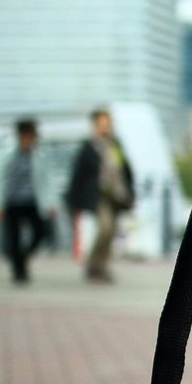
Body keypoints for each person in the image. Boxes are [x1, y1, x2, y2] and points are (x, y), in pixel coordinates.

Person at [67, 107, 134, 283]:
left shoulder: (115, 145)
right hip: (98, 195)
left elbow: (125, 170)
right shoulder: (88, 147)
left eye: (108, 124)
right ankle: (93, 265)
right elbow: (78, 175)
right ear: (95, 125)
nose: (106, 128)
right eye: (102, 124)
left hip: (116, 195)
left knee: (111, 231)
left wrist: (130, 193)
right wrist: (73, 200)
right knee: (105, 228)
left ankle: (101, 266)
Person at [0, 118, 56, 284]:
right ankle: (19, 271)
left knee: (41, 232)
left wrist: (51, 203)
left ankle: (22, 257)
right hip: (12, 202)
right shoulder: (8, 156)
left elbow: (48, 181)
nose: (28, 140)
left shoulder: (40, 157)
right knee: (13, 238)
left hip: (33, 202)